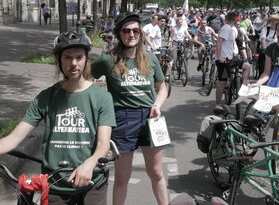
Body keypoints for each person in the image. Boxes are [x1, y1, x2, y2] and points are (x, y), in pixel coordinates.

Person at [0, 31, 116, 204]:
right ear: (59, 61)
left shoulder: (102, 98)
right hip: (55, 184)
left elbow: (103, 144)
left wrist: (90, 163)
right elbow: (14, 138)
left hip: (92, 182)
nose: (74, 63)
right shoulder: (46, 97)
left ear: (86, 60)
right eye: (67, 57)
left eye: (79, 57)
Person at [91, 13, 169, 205]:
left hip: (151, 118)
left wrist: (157, 105)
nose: (132, 34)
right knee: (122, 177)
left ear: (141, 34)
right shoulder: (108, 60)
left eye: (136, 30)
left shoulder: (150, 58)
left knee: (157, 173)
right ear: (119, 34)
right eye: (126, 31)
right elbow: (85, 79)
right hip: (122, 118)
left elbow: (162, 88)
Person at [214, 11, 250, 112]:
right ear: (235, 20)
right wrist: (219, 56)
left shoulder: (229, 28)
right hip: (223, 60)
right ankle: (217, 104)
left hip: (230, 58)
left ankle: (242, 88)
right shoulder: (226, 28)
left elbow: (228, 44)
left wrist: (234, 54)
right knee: (222, 82)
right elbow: (219, 41)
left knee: (247, 66)